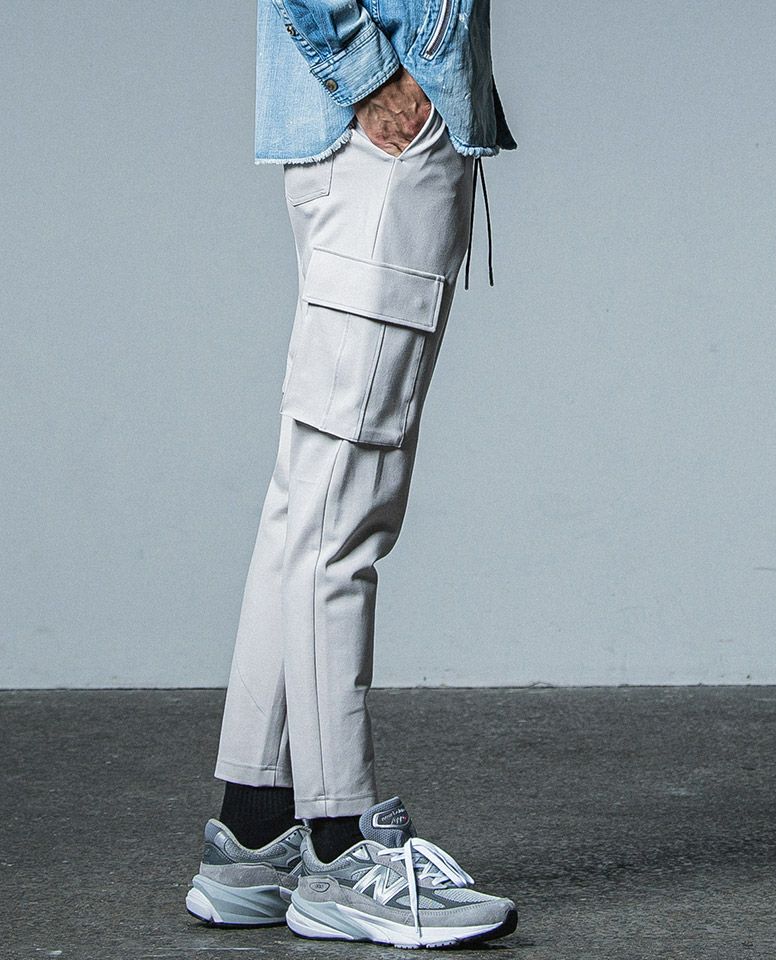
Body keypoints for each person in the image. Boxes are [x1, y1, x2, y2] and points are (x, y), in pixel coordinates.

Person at [186, 0, 518, 948]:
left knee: (308, 500)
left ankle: (254, 831)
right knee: (343, 512)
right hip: (384, 140)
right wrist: (373, 76)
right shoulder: (382, 106)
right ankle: (341, 847)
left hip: (368, 140)